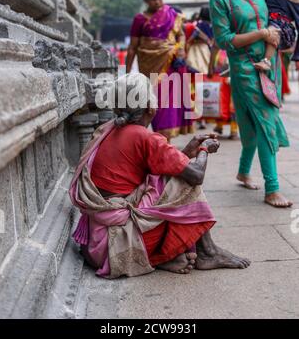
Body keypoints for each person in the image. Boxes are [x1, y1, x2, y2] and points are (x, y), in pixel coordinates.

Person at [69, 73, 250, 279]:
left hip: (95, 241)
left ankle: (172, 256)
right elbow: (196, 175)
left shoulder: (107, 129)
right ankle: (207, 252)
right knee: (183, 182)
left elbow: (157, 162)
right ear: (150, 107)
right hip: (117, 242)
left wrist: (187, 152)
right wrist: (204, 150)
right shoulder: (145, 137)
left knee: (165, 176)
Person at [209, 0, 292, 208]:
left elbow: (279, 12)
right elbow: (223, 39)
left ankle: (244, 171)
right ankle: (272, 188)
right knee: (266, 121)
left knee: (249, 124)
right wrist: (260, 33)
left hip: (271, 64)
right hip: (245, 68)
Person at [126, 0, 194, 141]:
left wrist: (181, 49)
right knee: (155, 104)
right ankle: (161, 139)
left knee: (169, 104)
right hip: (149, 68)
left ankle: (165, 140)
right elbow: (132, 48)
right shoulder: (139, 20)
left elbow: (181, 35)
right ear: (145, 0)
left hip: (170, 65)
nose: (157, 2)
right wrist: (127, 72)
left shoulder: (170, 14)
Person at [254, 0, 299, 71]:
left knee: (273, 30)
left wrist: (296, 46)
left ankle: (266, 61)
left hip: (284, 29)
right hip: (267, 24)